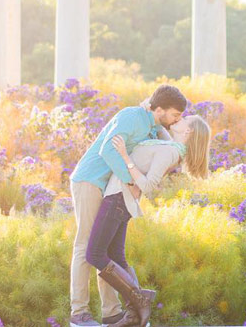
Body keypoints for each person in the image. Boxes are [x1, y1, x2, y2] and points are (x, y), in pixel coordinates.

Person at [69, 85, 188, 327]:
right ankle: (79, 312)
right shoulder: (131, 117)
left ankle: (111, 312)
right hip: (90, 180)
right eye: (175, 114)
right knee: (86, 246)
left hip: (108, 187)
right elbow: (108, 151)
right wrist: (131, 181)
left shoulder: (152, 127)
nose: (178, 119)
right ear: (161, 109)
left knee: (104, 249)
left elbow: (172, 145)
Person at [85, 114, 211, 327]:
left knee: (95, 254)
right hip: (121, 199)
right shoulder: (171, 146)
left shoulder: (169, 151)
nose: (179, 119)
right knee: (116, 256)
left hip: (118, 198)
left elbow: (148, 184)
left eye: (184, 120)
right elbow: (158, 123)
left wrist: (125, 157)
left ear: (188, 132)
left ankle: (139, 300)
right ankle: (134, 314)